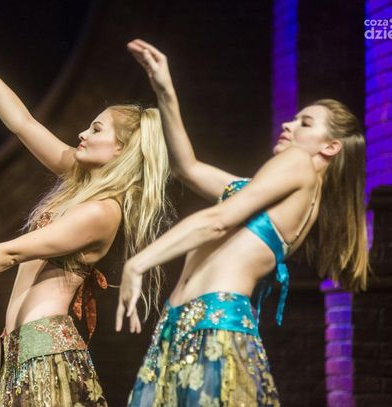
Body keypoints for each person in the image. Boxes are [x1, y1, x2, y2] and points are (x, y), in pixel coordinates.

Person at [116, 39, 368, 406]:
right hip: (189, 329)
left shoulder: (298, 162)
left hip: (213, 328)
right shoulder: (277, 194)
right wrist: (165, 90)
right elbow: (188, 168)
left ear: (330, 147)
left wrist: (139, 263)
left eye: (305, 122)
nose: (288, 124)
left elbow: (219, 220)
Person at [0, 47, 171, 406]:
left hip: (47, 359)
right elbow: (23, 124)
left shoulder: (101, 212)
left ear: (121, 149)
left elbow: (11, 253)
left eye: (96, 129)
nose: (83, 133)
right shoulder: (80, 182)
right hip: (19, 357)